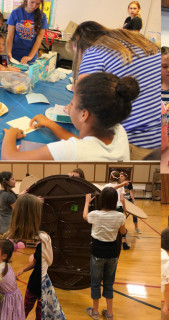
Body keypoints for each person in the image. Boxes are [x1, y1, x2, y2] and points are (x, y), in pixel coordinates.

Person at [68, 21, 160, 159]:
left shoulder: (94, 51)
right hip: (163, 136)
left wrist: (71, 107)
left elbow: (81, 95)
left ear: (80, 46)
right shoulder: (134, 40)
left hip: (136, 142)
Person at [1, 72, 139, 161]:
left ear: (84, 114)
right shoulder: (118, 130)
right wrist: (49, 123)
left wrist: (10, 134)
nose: (68, 107)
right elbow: (83, 144)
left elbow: (11, 157)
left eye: (72, 103)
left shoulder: (72, 151)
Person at [3, 193, 66, 320]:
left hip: (18, 286)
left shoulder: (6, 236)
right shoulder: (44, 238)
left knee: (22, 310)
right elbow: (49, 261)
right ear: (37, 216)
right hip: (42, 283)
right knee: (41, 312)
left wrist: (28, 203)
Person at [83, 187, 126, 320]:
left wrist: (87, 201)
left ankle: (95, 312)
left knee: (95, 283)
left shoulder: (95, 214)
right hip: (112, 253)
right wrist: (123, 205)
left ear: (102, 200)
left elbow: (85, 216)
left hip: (97, 252)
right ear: (115, 201)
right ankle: (109, 313)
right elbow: (123, 232)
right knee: (109, 283)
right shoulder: (120, 216)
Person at [105, 171, 130, 250]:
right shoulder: (121, 186)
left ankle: (110, 242)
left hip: (110, 207)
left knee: (109, 224)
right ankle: (124, 242)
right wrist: (125, 208)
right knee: (121, 224)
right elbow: (122, 199)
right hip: (119, 207)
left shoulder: (107, 185)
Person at [0, 239, 25, 320]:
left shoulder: (1, 269)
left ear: (4, 256)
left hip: (9, 300)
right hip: (14, 297)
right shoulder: (6, 264)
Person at [16, 241, 41, 320]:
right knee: (24, 310)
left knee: (40, 314)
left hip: (45, 289)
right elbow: (34, 262)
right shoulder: (40, 246)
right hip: (33, 284)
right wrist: (23, 269)